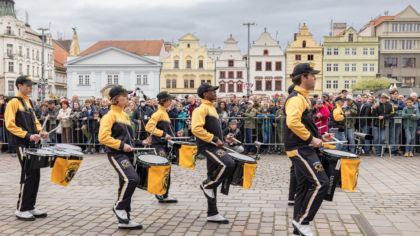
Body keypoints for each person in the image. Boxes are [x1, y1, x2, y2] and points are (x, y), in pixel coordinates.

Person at [284, 64, 331, 236]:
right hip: (300, 149)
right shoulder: (296, 98)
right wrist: (311, 139)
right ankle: (303, 221)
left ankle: (297, 228)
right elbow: (292, 123)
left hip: (305, 147)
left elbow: (304, 124)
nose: (315, 78)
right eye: (313, 75)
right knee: (321, 183)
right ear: (304, 77)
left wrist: (320, 135)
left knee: (303, 188)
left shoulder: (303, 98)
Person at [5, 75, 49, 221]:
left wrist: (39, 132)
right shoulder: (13, 102)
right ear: (19, 85)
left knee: (35, 174)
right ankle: (21, 209)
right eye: (28, 85)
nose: (30, 88)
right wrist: (27, 135)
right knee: (28, 174)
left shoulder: (28, 101)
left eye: (31, 86)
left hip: (31, 143)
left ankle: (30, 206)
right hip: (21, 143)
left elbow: (35, 121)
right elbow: (10, 124)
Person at [98, 85, 142, 230]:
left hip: (128, 153)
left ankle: (125, 220)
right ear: (116, 99)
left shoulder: (124, 115)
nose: (128, 97)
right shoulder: (109, 116)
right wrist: (122, 146)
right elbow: (103, 137)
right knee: (132, 179)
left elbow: (129, 139)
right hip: (116, 154)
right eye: (125, 95)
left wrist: (142, 142)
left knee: (124, 183)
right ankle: (119, 207)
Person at [192, 83, 235, 224]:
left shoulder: (212, 108)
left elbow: (214, 128)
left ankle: (212, 213)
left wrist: (224, 138)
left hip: (214, 145)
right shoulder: (200, 109)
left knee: (212, 176)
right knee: (228, 164)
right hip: (208, 147)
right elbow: (196, 129)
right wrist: (215, 139)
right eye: (212, 91)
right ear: (205, 94)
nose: (215, 93)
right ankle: (207, 185)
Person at [145, 91, 178, 203]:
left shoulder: (164, 112)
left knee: (166, 169)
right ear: (164, 101)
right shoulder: (158, 113)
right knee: (163, 168)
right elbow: (149, 127)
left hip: (163, 145)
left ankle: (164, 194)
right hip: (158, 145)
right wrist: (164, 134)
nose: (171, 101)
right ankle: (161, 194)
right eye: (169, 100)